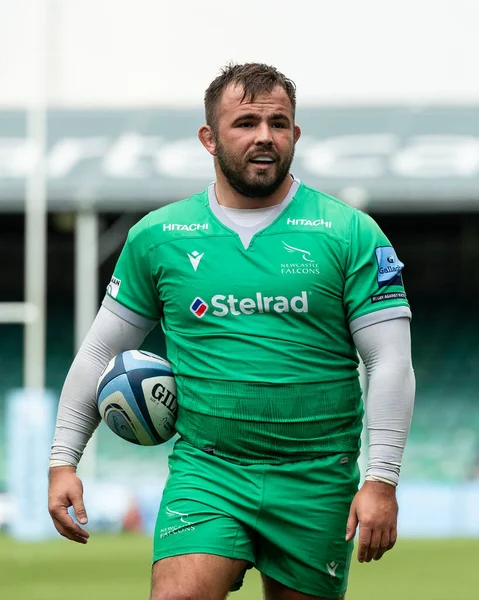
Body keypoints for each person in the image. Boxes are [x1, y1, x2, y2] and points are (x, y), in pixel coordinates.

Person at [48, 63, 415, 600]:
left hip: (317, 478)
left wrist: (381, 479)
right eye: (245, 122)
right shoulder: (159, 236)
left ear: (295, 133)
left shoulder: (351, 232)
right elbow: (101, 350)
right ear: (209, 138)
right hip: (209, 472)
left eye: (279, 122)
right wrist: (63, 460)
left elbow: (390, 362)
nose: (265, 135)